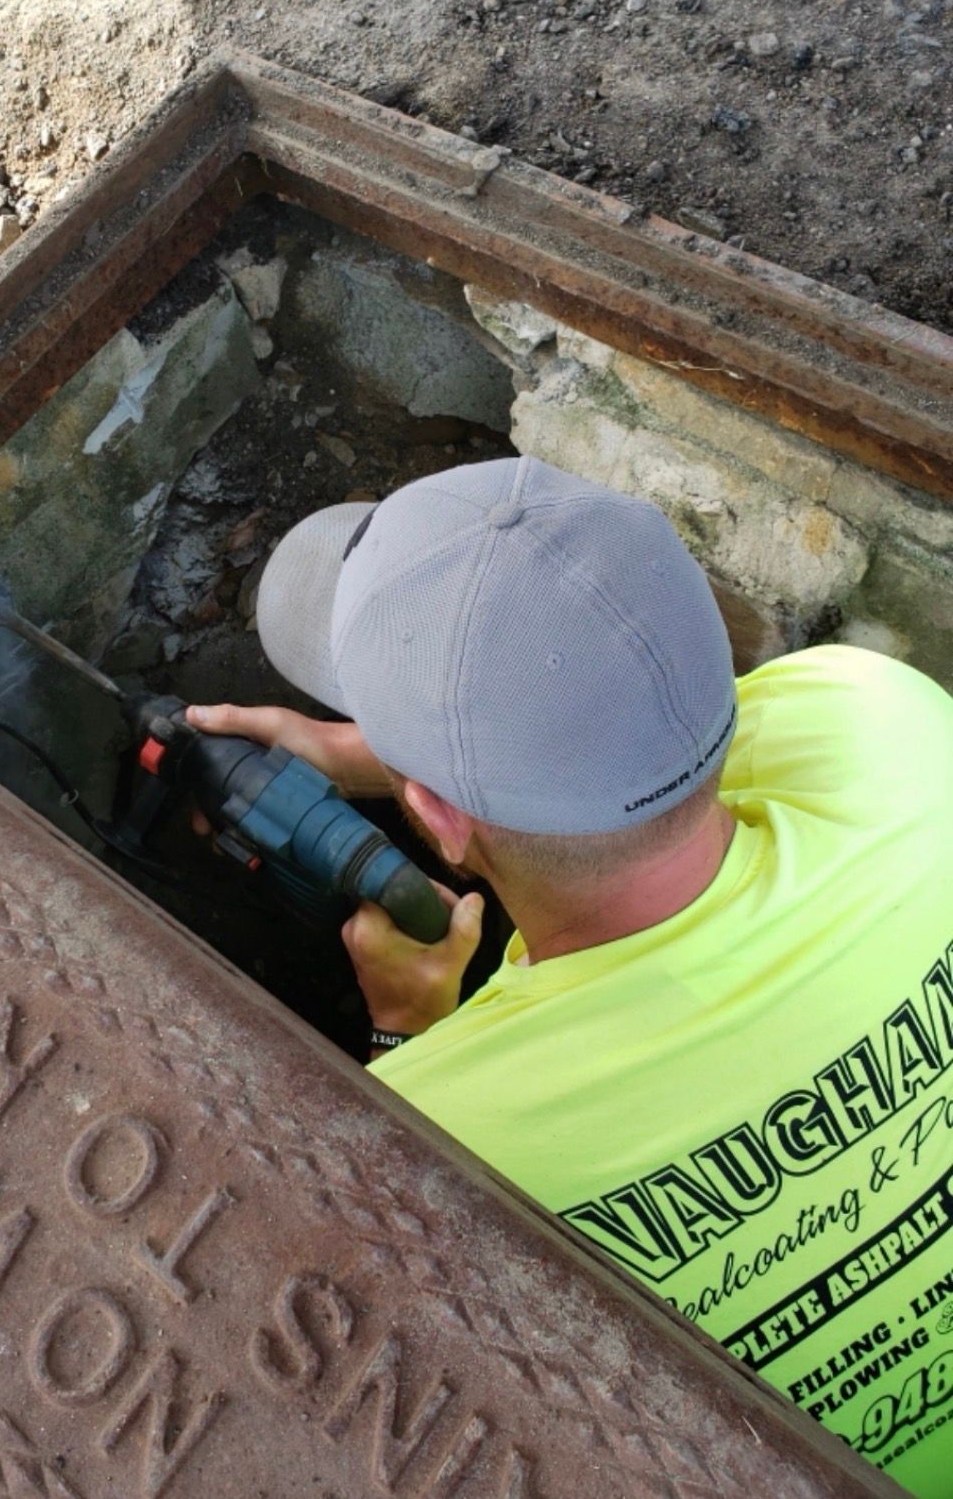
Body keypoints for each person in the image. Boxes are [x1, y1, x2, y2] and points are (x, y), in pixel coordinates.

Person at [186, 455, 953, 1497]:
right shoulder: (886, 720)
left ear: (441, 821)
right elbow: (640, 749)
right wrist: (384, 761)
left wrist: (407, 1032)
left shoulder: (429, 1145)